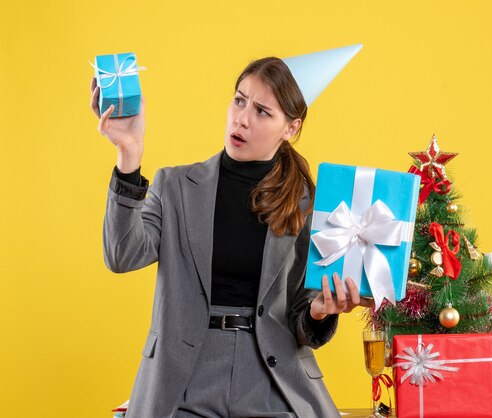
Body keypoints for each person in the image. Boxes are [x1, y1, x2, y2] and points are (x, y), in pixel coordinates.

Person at [90, 45, 371, 418]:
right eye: (239, 101)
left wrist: (320, 312)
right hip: (183, 382)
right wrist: (129, 156)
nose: (242, 119)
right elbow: (122, 255)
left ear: (291, 128)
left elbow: (302, 320)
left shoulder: (306, 203)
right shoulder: (174, 186)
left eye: (261, 111)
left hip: (273, 382)